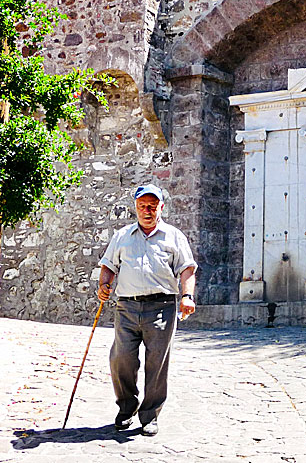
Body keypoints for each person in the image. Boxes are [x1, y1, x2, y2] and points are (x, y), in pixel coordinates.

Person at [97, 184, 197, 436]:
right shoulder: (122, 236)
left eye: (153, 205)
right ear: (135, 207)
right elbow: (109, 266)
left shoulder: (174, 236)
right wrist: (104, 284)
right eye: (142, 205)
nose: (148, 210)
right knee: (121, 358)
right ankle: (126, 407)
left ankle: (150, 415)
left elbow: (187, 268)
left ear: (161, 207)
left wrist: (187, 296)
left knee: (157, 362)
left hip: (161, 306)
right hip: (127, 306)